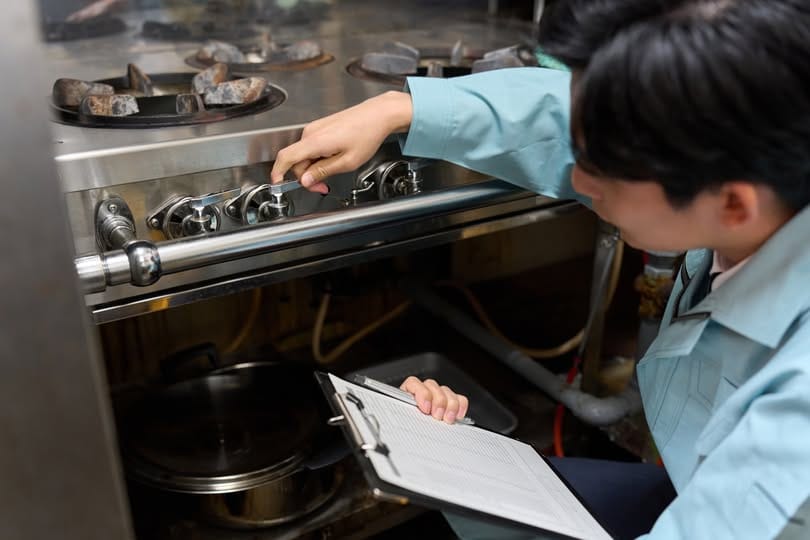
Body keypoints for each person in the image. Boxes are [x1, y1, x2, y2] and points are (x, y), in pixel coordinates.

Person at [272, 0, 810, 538]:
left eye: (604, 170)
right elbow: (566, 107)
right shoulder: (763, 159)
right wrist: (400, 108)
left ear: (734, 204)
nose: (576, 181)